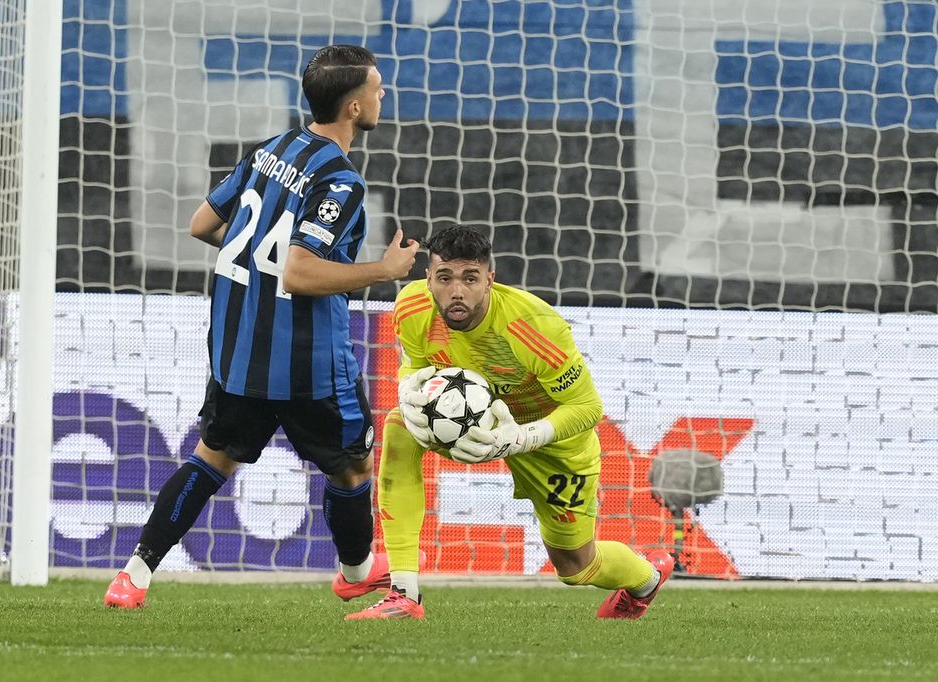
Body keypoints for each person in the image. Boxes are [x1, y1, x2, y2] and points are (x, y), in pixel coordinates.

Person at [105, 44, 419, 608]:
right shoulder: (342, 181)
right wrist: (385, 269)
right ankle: (354, 572)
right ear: (352, 107)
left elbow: (202, 224)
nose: (382, 95)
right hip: (310, 364)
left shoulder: (269, 150)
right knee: (353, 468)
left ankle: (133, 575)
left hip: (238, 353)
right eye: (376, 87)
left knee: (211, 458)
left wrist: (256, 263)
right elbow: (298, 272)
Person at [346, 224, 673, 621]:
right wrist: (408, 388)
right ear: (428, 279)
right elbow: (415, 370)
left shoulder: (532, 324)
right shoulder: (412, 307)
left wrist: (519, 437)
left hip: (548, 437)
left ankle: (647, 580)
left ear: (489, 281)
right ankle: (403, 593)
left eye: (470, 278)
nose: (457, 291)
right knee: (402, 425)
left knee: (576, 567)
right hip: (467, 421)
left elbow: (587, 408)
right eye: (445, 278)